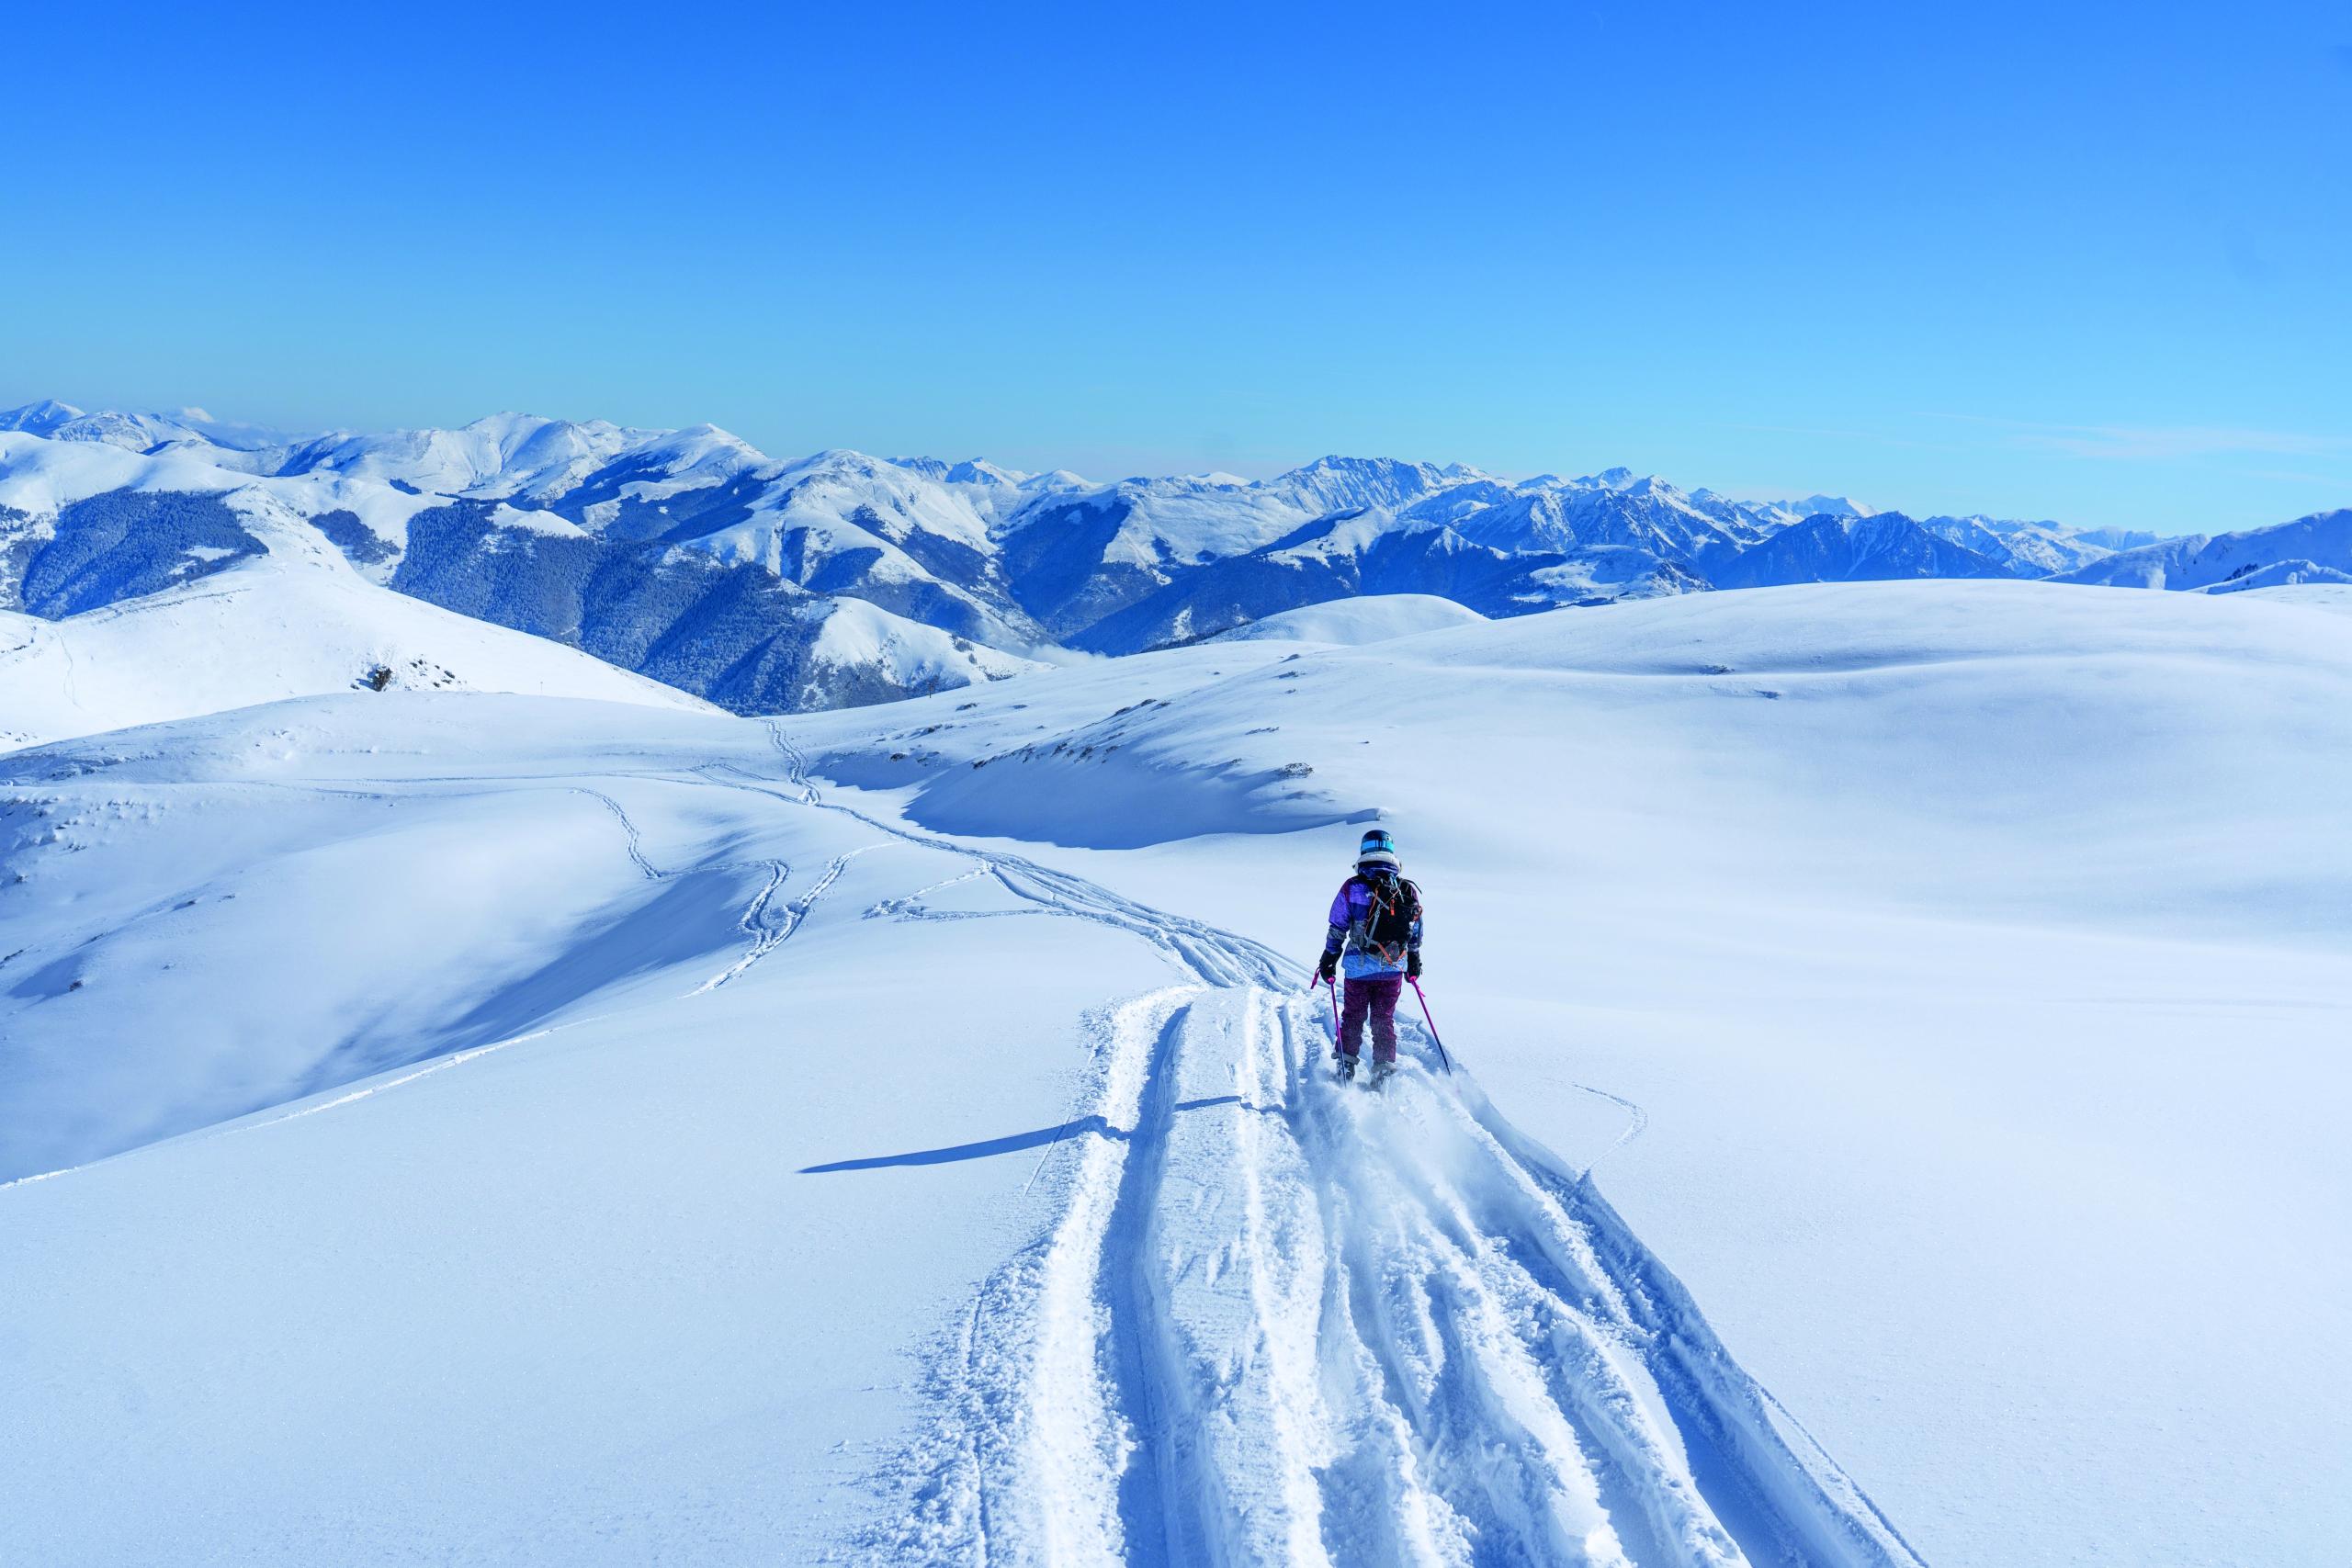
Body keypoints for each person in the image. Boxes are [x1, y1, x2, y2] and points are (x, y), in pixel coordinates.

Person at [1316, 828, 1423, 1085]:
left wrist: (1328, 958)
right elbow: (1416, 930)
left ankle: (1346, 1067)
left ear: (1364, 851)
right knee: (1383, 1018)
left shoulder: (1352, 887)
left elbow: (1337, 927)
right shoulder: (1406, 889)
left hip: (1358, 968)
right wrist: (1414, 960)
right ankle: (1384, 1069)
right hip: (1392, 967)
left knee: (1353, 1016)